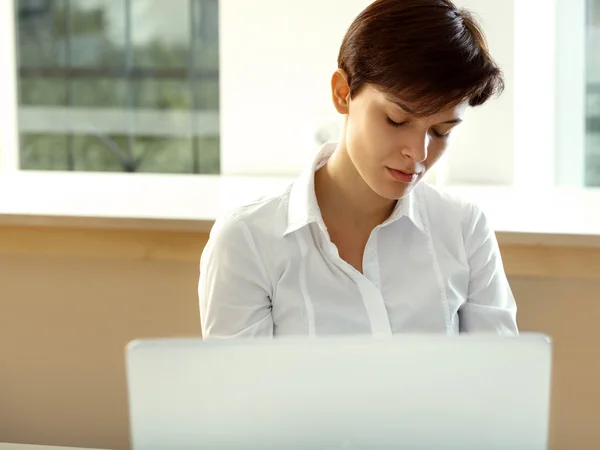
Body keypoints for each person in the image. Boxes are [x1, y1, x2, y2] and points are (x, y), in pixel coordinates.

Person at [199, 0, 518, 338]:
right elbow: (240, 389)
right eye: (396, 121)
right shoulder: (247, 241)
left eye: (441, 131)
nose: (419, 152)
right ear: (342, 93)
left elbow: (498, 381)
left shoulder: (465, 231)